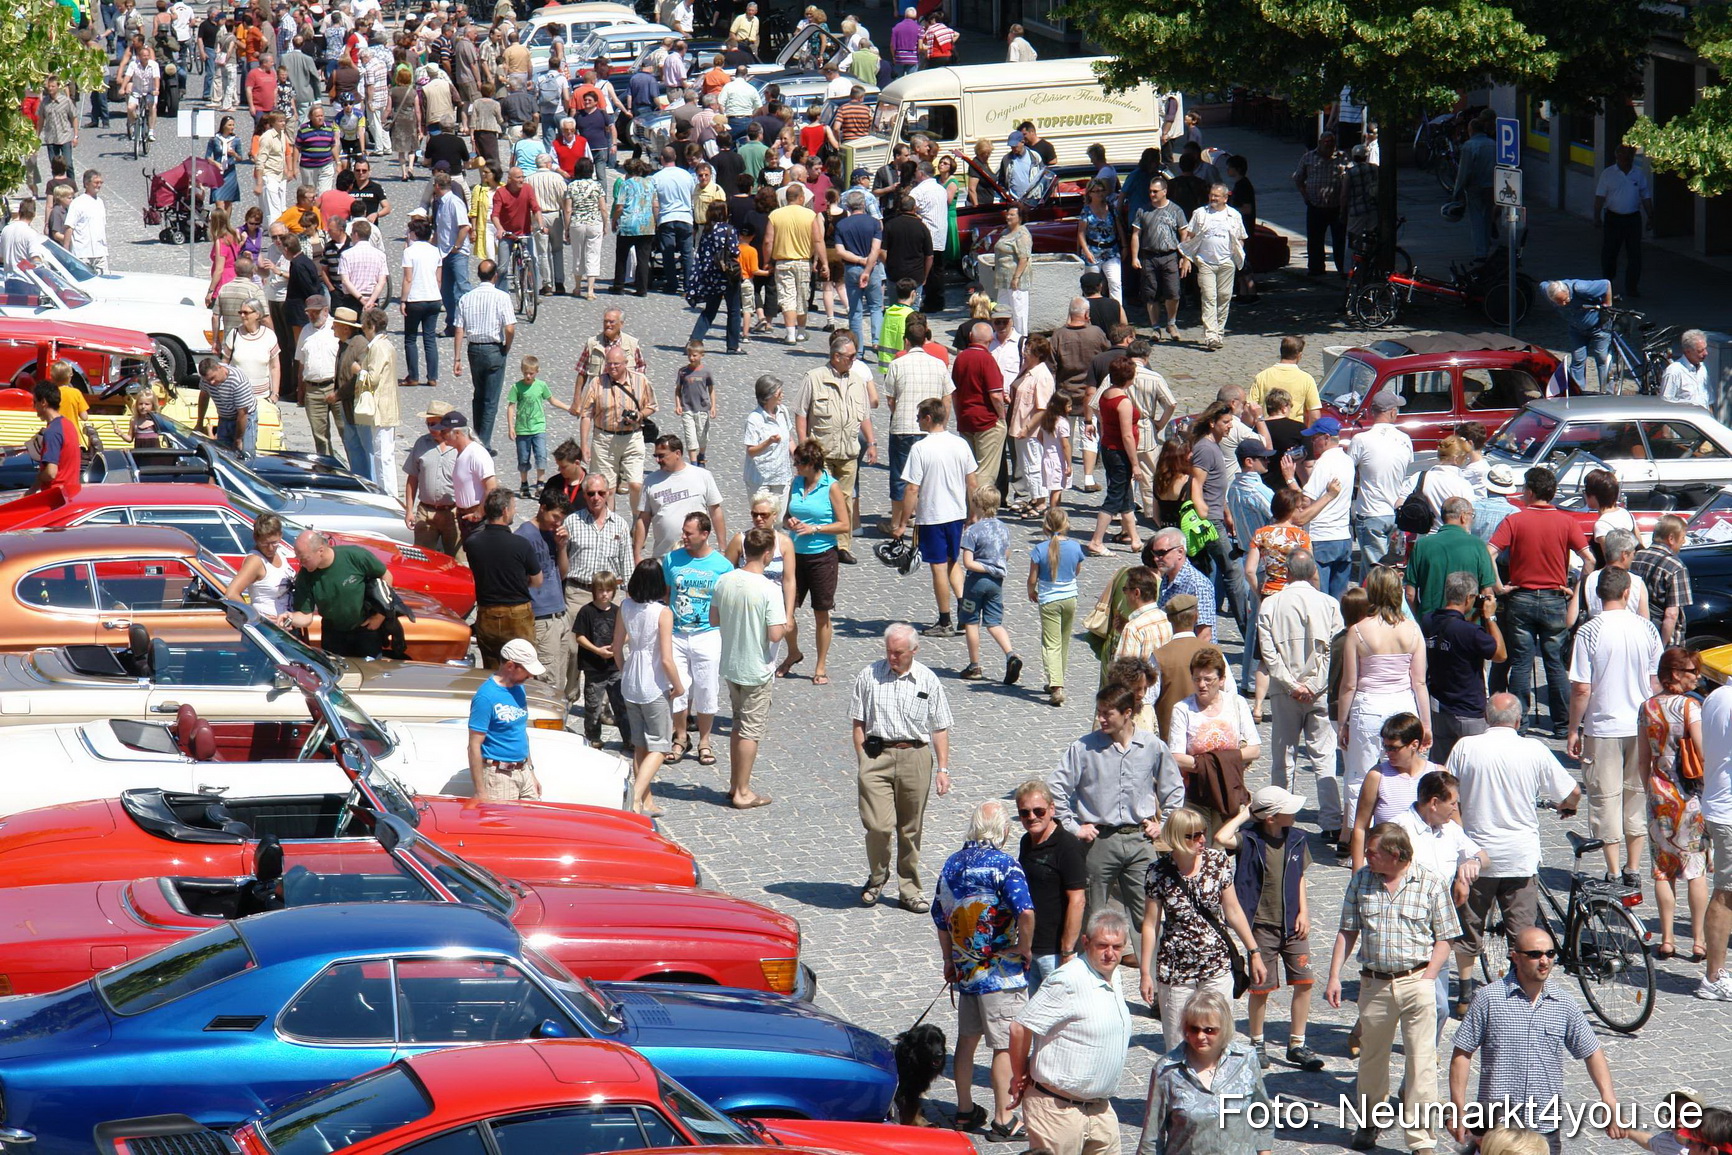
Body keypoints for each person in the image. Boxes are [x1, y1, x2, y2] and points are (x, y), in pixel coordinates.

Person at [1326, 822, 1461, 1153]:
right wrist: (1333, 976)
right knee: (1372, 1059)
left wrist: (1428, 978)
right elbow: (1348, 930)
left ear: (1396, 854)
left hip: (1417, 981)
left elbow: (1446, 938)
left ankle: (1422, 1141)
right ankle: (1369, 1123)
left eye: (1372, 852)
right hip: (1375, 983)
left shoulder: (1430, 882)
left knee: (1422, 1062)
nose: (1366, 857)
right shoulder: (1362, 880)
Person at [1447, 694, 1583, 1011]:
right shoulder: (1533, 749)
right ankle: (1517, 995)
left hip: (1477, 856)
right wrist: (1568, 807)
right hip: (1519, 856)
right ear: (1519, 721)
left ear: (1486, 717)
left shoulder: (1465, 747)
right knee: (1521, 931)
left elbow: (1448, 793)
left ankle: (1465, 994)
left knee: (1469, 926)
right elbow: (1573, 791)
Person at [1449, 925, 1618, 1155]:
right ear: (1516, 957)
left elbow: (1592, 1051)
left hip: (1544, 1126)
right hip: (1496, 1128)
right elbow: (1462, 1053)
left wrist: (1608, 1097)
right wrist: (1458, 1110)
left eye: (1550, 953)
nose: (1544, 961)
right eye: (1535, 954)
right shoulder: (1489, 999)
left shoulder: (1563, 1004)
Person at [1051, 683, 1184, 961]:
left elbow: (1173, 789)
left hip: (1140, 842)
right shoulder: (1083, 748)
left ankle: (1154, 981)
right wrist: (1074, 826)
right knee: (1094, 915)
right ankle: (1091, 976)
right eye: (1099, 712)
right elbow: (1056, 789)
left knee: (1148, 913)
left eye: (1106, 713)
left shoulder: (1151, 746)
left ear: (1127, 713)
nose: (1100, 719)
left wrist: (1164, 824)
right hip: (1099, 842)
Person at [932, 799, 1035, 1140]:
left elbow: (940, 918)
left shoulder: (952, 864)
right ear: (1004, 830)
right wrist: (1025, 948)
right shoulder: (1005, 865)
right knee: (1004, 1045)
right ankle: (1004, 1118)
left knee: (967, 1040)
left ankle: (964, 1110)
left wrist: (949, 960)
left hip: (966, 972)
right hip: (1000, 973)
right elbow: (1026, 912)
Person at [1216, 785, 1326, 1071]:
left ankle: (1297, 1044)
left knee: (1305, 981)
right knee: (1260, 987)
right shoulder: (1249, 839)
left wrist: (1304, 911)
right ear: (1271, 817)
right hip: (1261, 926)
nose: (1295, 813)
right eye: (1288, 809)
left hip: (1293, 925)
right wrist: (1245, 814)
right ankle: (1257, 1042)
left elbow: (1299, 877)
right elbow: (1220, 838)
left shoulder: (1297, 838)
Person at [1006, 909, 1132, 1155]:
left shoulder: (1113, 975)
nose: (1109, 954)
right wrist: (1019, 1075)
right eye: (1102, 945)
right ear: (1085, 942)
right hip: (1057, 1112)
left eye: (1117, 947)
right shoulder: (1067, 980)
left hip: (1100, 1109)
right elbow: (1019, 1028)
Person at [1141, 806, 1266, 1051]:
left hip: (1216, 964)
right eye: (1193, 835)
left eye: (1203, 832)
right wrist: (1146, 973)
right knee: (1178, 1044)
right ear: (1177, 837)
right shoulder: (1158, 872)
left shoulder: (1217, 862)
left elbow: (1233, 910)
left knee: (1219, 1040)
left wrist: (1254, 952)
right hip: (1175, 969)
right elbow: (1150, 924)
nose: (1202, 839)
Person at [1568, 567, 1663, 882]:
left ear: (1597, 595)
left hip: (1603, 725)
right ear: (1627, 593)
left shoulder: (1589, 631)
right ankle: (1633, 867)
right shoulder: (1646, 628)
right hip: (1640, 724)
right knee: (1636, 794)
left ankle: (1612, 869)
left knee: (1605, 798)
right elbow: (1655, 681)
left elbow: (1581, 688)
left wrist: (1573, 728)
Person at [852, 623, 954, 912]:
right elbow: (858, 723)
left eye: (898, 652)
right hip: (877, 756)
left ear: (914, 650)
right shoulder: (869, 675)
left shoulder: (928, 680)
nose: (892, 657)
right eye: (889, 651)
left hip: (915, 755)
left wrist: (943, 769)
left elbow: (940, 727)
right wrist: (863, 761)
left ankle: (909, 888)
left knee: (910, 828)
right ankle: (877, 877)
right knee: (878, 825)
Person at [1490, 466, 1595, 737]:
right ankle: (1562, 724)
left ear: (1529, 491)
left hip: (1521, 597)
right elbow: (1589, 559)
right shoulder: (1566, 522)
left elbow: (1489, 552)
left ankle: (1519, 723)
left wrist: (1500, 587)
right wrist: (1576, 587)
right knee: (1555, 663)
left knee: (1521, 663)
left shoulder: (1515, 520)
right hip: (1554, 598)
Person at [1339, 566, 1432, 850]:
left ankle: (1359, 841)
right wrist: (1426, 724)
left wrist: (1343, 723)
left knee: (1359, 775)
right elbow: (1419, 682)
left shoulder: (1358, 631)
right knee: (1404, 771)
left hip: (1369, 705)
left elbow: (1349, 684)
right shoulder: (1412, 630)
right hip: (1403, 704)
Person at [1639, 647, 1710, 963]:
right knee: (1695, 869)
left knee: (1663, 870)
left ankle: (1667, 939)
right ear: (1676, 674)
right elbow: (1702, 751)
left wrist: (1650, 791)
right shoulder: (1690, 707)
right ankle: (1698, 940)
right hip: (1689, 795)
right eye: (1692, 671)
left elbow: (1643, 758)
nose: (1697, 676)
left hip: (1659, 794)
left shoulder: (1647, 707)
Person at [1140, 987, 1272, 1155]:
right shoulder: (1166, 1071)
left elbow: (1261, 1115)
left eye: (1209, 1030)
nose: (1200, 1036)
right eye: (1194, 1029)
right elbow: (1151, 1139)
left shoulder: (1246, 1059)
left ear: (1224, 1028)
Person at [710, 526, 786, 809]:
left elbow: (714, 619)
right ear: (768, 554)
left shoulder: (724, 580)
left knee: (737, 724)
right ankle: (742, 791)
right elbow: (776, 634)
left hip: (731, 664)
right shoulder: (769, 589)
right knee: (750, 731)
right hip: (756, 668)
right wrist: (785, 625)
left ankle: (734, 784)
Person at [1258, 549, 1341, 792]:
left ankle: (1281, 808)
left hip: (1285, 692)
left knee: (1283, 756)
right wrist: (1315, 685)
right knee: (1324, 756)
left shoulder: (1270, 604)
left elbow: (1269, 654)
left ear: (1287, 572)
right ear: (1314, 571)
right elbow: (1334, 652)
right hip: (1320, 691)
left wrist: (1291, 685)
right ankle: (1330, 812)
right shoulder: (1329, 604)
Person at [793, 332, 877, 563]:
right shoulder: (814, 378)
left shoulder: (857, 380)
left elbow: (864, 415)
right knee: (823, 498)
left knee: (846, 500)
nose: (854, 360)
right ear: (837, 356)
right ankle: (821, 542)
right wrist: (803, 445)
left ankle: (842, 546)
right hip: (823, 453)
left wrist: (871, 442)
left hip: (848, 452)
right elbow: (801, 413)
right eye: (851, 356)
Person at [615, 558, 684, 815]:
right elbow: (666, 659)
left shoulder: (625, 606)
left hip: (630, 680)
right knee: (660, 745)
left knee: (640, 745)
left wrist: (625, 670)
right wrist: (679, 686)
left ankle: (647, 801)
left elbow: (616, 647)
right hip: (653, 683)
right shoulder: (663, 613)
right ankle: (635, 797)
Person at [663, 511, 732, 767]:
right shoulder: (671, 559)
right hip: (677, 634)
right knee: (677, 688)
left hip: (707, 634)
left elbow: (726, 602)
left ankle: (705, 740)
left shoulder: (722, 566)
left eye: (688, 533)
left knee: (706, 688)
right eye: (683, 531)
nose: (683, 537)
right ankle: (680, 737)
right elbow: (666, 594)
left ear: (705, 534)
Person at [1166, 646, 1260, 831]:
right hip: (1195, 792)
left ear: (1222, 680)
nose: (1202, 685)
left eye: (1208, 679)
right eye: (1197, 679)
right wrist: (1216, 765)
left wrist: (1214, 764)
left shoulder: (1237, 704)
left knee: (1222, 843)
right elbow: (1176, 757)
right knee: (1197, 842)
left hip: (1229, 789)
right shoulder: (1183, 709)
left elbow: (1254, 750)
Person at [1012, 779, 1088, 996]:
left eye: (1039, 811)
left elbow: (1077, 900)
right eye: (1024, 813)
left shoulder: (1067, 846)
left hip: (1054, 951)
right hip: (1030, 945)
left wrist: (1067, 951)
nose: (1032, 817)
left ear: (1052, 809)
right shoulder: (1026, 841)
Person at [1423, 573, 1505, 765]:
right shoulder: (1471, 632)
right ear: (1469, 598)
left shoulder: (1428, 621)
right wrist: (1490, 617)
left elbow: (1457, 632)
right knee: (1474, 767)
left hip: (1439, 708)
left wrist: (1475, 615)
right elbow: (1500, 655)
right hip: (1469, 711)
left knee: (1441, 768)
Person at [465, 487, 542, 667]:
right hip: (517, 615)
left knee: (491, 669)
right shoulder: (521, 544)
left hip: (487, 613)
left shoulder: (472, 543)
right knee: (522, 668)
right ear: (505, 511)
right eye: (513, 507)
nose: (514, 511)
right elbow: (537, 580)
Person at [284, 530, 389, 658]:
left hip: (365, 629)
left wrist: (379, 617)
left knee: (371, 669)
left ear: (320, 550)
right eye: (298, 559)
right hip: (333, 635)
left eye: (304, 559)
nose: (301, 563)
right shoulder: (305, 577)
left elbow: (386, 576)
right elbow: (306, 616)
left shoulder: (354, 556)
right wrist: (289, 618)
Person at [465, 637, 545, 802]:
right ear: (510, 666)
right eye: (526, 670)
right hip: (498, 777)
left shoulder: (519, 688)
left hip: (523, 772)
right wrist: (480, 791)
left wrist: (531, 772)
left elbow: (520, 732)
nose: (530, 675)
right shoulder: (485, 697)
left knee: (534, 817)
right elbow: (474, 745)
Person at [451, 259, 517, 451]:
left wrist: (457, 358)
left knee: (478, 395)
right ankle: (483, 444)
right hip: (494, 349)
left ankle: (477, 437)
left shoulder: (466, 298)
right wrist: (507, 346)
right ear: (495, 276)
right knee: (490, 400)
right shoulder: (502, 297)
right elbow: (510, 328)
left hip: (474, 349)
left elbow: (459, 329)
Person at [1178, 182, 1247, 351]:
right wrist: (1186, 258)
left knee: (1224, 297)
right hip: (1205, 262)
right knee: (1209, 297)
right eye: (1211, 195)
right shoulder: (1200, 213)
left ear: (1225, 198)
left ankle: (1219, 333)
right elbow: (1190, 236)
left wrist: (1237, 253)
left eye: (1216, 196)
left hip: (1227, 262)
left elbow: (1241, 237)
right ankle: (1210, 336)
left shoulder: (1234, 215)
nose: (1213, 198)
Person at [1085, 359, 1141, 556]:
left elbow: (1102, 417)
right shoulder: (1123, 402)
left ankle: (1135, 539)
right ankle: (1096, 541)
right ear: (1129, 377)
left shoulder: (1106, 394)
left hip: (1108, 447)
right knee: (1115, 497)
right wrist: (1135, 464)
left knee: (1125, 495)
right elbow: (1127, 436)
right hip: (1120, 453)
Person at [1031, 507, 1086, 708]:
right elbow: (1076, 571)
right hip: (1070, 598)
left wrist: (1031, 591)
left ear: (1045, 526)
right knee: (1063, 641)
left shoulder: (1039, 549)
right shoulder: (1075, 547)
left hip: (1049, 600)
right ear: (1066, 524)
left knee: (1051, 643)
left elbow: (1032, 578)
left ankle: (1056, 685)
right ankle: (1057, 678)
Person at [1407, 497, 1498, 616]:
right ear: (1463, 516)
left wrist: (1420, 619)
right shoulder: (1478, 545)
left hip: (1430, 621)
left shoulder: (1422, 545)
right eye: (1472, 515)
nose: (1472, 519)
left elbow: (1410, 594)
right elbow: (1487, 592)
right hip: (1466, 622)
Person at [1300, 416, 1355, 595]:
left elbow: (1306, 501)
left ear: (1326, 438)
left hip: (1322, 537)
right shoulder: (1347, 460)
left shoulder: (1324, 463)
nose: (1312, 442)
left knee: (1319, 596)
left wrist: (1290, 478)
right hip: (1343, 536)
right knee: (1338, 598)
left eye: (1314, 437)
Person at [1594, 144, 1652, 297]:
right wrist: (1597, 216)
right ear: (1617, 156)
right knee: (1610, 253)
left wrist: (1650, 216)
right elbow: (1600, 197)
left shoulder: (1638, 174)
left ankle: (1632, 287)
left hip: (1633, 219)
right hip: (1613, 218)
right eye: (1622, 155)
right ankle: (1607, 283)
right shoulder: (1608, 174)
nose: (1625, 158)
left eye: (1628, 155)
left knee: (1635, 254)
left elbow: (1645, 196)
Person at [1631, 514, 1694, 646]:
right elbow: (1671, 614)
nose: (1683, 542)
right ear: (1671, 538)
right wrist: (1662, 646)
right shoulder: (1676, 567)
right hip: (1664, 640)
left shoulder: (1636, 557)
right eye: (1682, 537)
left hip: (1636, 633)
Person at [1541, 277, 1614, 391]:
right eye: (1559, 302)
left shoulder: (1581, 288)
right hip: (1576, 329)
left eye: (1565, 300)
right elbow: (1542, 284)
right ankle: (1577, 391)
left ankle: (1607, 392)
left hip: (1598, 326)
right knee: (1577, 360)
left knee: (1602, 358)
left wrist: (1607, 307)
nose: (1563, 304)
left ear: (1567, 292)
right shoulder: (1547, 289)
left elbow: (1606, 284)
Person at [1293, 132, 1344, 277]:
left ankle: (1342, 268)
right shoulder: (1308, 157)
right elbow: (1298, 178)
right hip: (1315, 205)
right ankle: (1316, 268)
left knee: (1339, 240)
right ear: (1320, 142)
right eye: (1326, 142)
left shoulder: (1342, 158)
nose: (1329, 145)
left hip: (1336, 206)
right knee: (1315, 239)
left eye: (1332, 142)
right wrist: (1305, 195)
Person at [1451, 111, 1498, 259]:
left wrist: (1457, 191)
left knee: (1476, 218)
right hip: (1491, 185)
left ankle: (1480, 251)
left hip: (1475, 186)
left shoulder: (1469, 146)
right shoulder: (1493, 144)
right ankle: (1486, 244)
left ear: (1471, 130)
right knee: (1487, 216)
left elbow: (1464, 171)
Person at [1660, 329, 1712, 408]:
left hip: (1703, 415)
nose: (1706, 353)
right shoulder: (1674, 372)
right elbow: (1666, 404)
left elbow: (1709, 401)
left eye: (1705, 349)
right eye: (1700, 351)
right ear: (1687, 351)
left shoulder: (1702, 367)